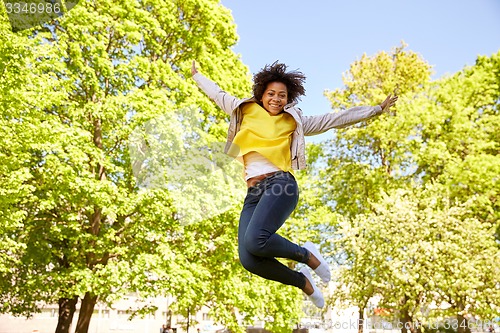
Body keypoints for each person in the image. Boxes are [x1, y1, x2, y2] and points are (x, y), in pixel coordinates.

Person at [191, 60, 397, 308]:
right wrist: (197, 76)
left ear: (288, 98)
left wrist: (375, 109)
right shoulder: (243, 110)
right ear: (261, 94)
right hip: (254, 193)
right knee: (249, 259)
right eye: (271, 94)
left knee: (256, 239)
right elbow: (218, 95)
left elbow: (334, 119)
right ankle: (302, 282)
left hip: (280, 184)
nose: (276, 99)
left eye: (282, 95)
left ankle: (307, 255)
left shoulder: (293, 122)